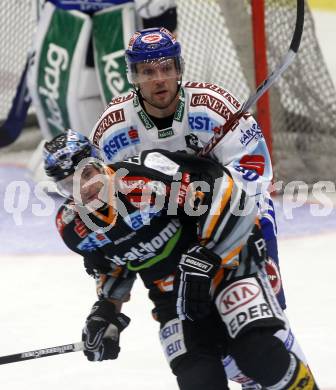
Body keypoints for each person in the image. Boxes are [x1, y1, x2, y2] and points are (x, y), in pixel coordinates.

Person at [88, 27, 313, 387]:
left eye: (166, 68)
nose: (159, 79)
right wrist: (108, 303)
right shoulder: (112, 133)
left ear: (179, 68)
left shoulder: (212, 106)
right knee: (200, 328)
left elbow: (256, 173)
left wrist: (209, 208)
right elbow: (115, 225)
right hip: (172, 235)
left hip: (237, 219)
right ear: (133, 76)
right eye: (148, 71)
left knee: (261, 325)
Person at [43, 128, 318, 390]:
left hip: (227, 268)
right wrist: (106, 315)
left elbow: (230, 198)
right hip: (175, 299)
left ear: (99, 162)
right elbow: (113, 267)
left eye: (87, 174)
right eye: (70, 184)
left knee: (259, 356)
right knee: (199, 381)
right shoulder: (73, 228)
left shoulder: (147, 175)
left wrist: (207, 258)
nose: (85, 189)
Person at [27, 0, 177, 141]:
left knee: (131, 122)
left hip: (119, 34)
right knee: (69, 116)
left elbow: (158, 12)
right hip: (64, 30)